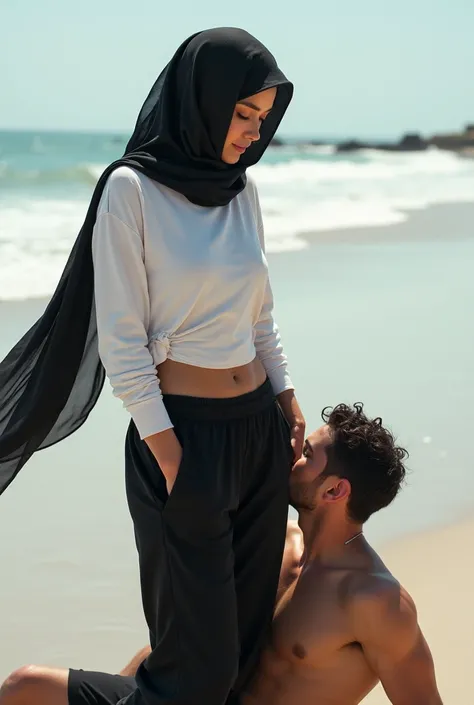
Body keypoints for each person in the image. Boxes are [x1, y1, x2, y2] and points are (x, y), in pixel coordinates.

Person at [0, 28, 304, 705]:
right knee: (200, 674)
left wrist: (288, 402)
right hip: (183, 439)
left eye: (263, 119)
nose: (253, 133)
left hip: (258, 433)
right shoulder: (130, 191)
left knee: (244, 652)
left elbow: (259, 315)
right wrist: (172, 460)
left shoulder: (241, 191)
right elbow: (123, 341)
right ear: (205, 100)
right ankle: (30, 689)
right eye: (242, 114)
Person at [0, 404, 443, 705]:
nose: (291, 455)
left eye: (307, 454)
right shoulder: (274, 542)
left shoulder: (373, 599)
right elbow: (191, 634)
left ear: (335, 490)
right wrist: (136, 685)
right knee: (24, 688)